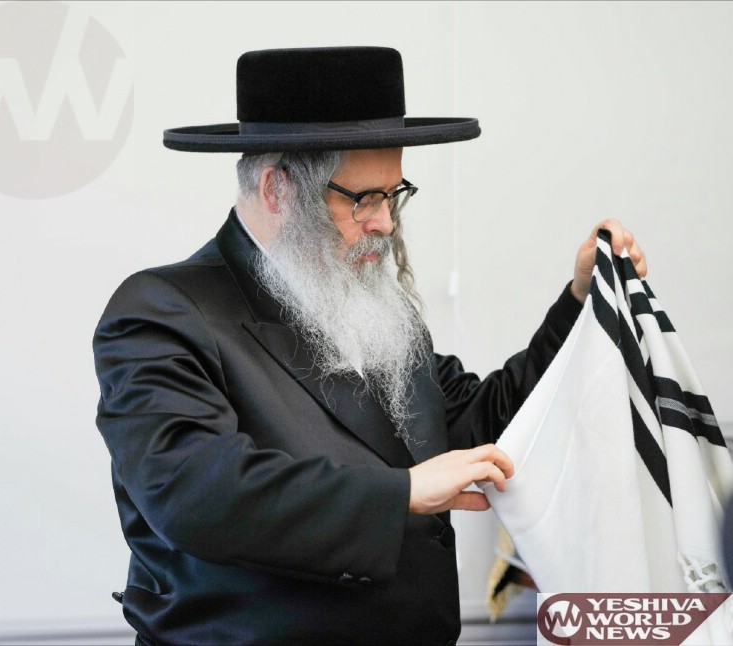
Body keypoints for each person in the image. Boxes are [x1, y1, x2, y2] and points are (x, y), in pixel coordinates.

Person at [93, 47, 647, 645]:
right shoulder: (165, 310)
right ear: (278, 189)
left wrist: (582, 300)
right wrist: (402, 494)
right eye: (363, 199)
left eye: (392, 194)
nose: (385, 222)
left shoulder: (375, 311)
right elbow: (195, 490)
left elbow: (484, 427)